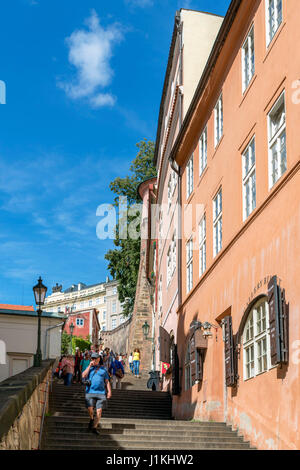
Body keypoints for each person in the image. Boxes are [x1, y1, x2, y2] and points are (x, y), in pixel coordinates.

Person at [82, 353, 112, 434]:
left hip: (101, 393)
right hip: (90, 391)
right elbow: (83, 375)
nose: (94, 360)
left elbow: (107, 381)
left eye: (95, 358)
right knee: (90, 409)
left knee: (99, 411)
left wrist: (109, 391)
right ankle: (91, 418)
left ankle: (94, 427)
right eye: (92, 358)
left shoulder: (104, 369)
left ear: (99, 359)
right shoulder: (89, 368)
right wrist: (89, 366)